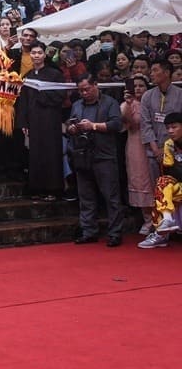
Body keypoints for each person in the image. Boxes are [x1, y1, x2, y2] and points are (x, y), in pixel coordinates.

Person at [67, 74, 124, 246]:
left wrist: (93, 126)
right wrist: (72, 128)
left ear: (96, 85)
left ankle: (114, 233)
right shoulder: (77, 105)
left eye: (87, 89)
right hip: (82, 155)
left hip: (104, 155)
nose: (84, 93)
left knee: (111, 196)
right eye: (80, 90)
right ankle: (88, 231)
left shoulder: (109, 103)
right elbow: (69, 124)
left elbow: (116, 125)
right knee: (86, 196)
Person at [16, 41, 66, 201]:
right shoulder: (28, 76)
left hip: (50, 119)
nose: (36, 55)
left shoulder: (55, 74)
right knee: (35, 154)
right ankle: (36, 188)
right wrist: (23, 122)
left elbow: (60, 96)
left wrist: (41, 95)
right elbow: (22, 101)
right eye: (33, 53)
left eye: (39, 53)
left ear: (44, 54)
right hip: (34, 121)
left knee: (51, 153)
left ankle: (53, 189)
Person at [139, 112, 182, 248]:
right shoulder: (169, 144)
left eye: (174, 127)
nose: (170, 131)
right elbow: (170, 170)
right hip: (180, 184)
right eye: (168, 128)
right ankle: (163, 229)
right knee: (161, 184)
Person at [140, 60, 182, 196]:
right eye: (151, 71)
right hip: (154, 153)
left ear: (167, 73)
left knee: (177, 190)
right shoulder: (147, 96)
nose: (151, 74)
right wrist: (156, 150)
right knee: (159, 191)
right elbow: (145, 125)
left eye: (155, 70)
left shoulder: (180, 94)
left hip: (177, 151)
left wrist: (169, 149)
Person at [122, 75, 156, 234]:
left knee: (155, 180)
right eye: (134, 86)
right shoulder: (126, 105)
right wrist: (128, 105)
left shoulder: (154, 101)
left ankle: (163, 218)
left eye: (141, 86)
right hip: (136, 146)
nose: (137, 89)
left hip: (155, 144)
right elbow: (130, 125)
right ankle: (148, 220)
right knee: (140, 181)